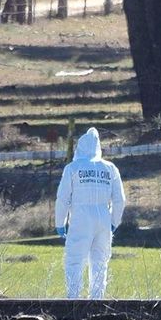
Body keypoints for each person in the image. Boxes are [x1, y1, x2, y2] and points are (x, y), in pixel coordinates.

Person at [55, 127, 126, 299]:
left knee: (74, 261)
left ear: (80, 147)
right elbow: (120, 200)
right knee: (100, 263)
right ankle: (97, 303)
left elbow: (63, 199)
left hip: (80, 218)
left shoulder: (72, 168)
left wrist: (60, 223)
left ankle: (73, 301)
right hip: (103, 217)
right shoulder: (110, 168)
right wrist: (114, 222)